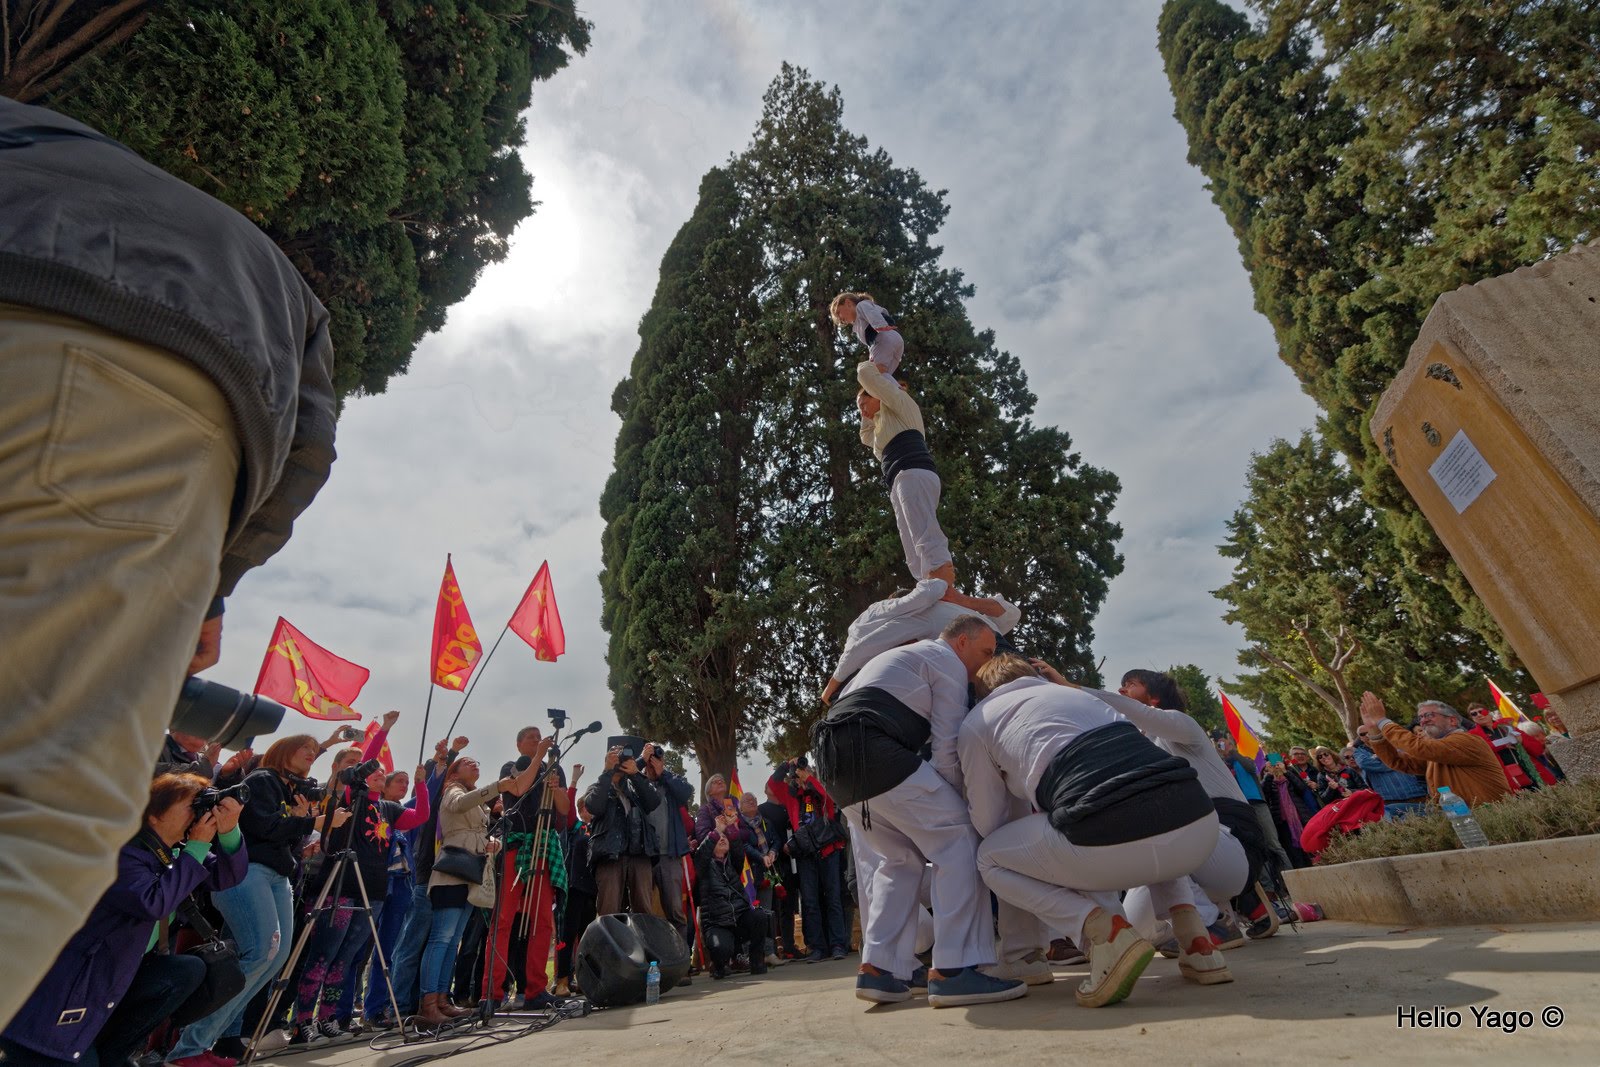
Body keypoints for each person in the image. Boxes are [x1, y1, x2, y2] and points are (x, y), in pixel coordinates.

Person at [0, 97, 337, 1028]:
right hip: (198, 402)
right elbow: (309, 447)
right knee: (41, 818)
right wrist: (210, 585)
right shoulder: (269, 267)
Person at [959, 655, 1229, 1008]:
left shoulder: (977, 721)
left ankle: (1104, 934)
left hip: (1108, 842)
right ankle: (1197, 942)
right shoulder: (1084, 698)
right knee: (1149, 800)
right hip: (1198, 824)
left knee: (990, 857)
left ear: (982, 690)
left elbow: (988, 818)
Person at [812, 615, 1025, 1008]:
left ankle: (879, 969)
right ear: (961, 641)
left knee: (900, 859)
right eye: (985, 652)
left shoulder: (905, 657)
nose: (987, 663)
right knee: (959, 840)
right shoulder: (944, 660)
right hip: (871, 748)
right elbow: (947, 749)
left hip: (835, 762)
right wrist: (967, 806)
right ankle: (955, 971)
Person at [2, 775, 247, 1067]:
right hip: (66, 993)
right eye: (192, 805)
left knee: (187, 970)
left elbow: (227, 876)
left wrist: (229, 829)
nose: (199, 813)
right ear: (154, 814)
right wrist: (195, 848)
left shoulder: (173, 853)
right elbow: (153, 903)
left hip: (113, 978)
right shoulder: (124, 853)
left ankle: (112, 1053)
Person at [166, 736, 341, 1066]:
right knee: (260, 953)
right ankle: (188, 1048)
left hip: (278, 875)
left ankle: (205, 1043)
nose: (312, 753)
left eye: (315, 750)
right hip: (249, 871)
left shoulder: (294, 791)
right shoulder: (262, 778)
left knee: (274, 960)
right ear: (283, 752)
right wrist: (314, 822)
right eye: (306, 747)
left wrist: (304, 822)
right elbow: (262, 825)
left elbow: (287, 837)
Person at [288, 755, 429, 1044]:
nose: (378, 773)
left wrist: (421, 784)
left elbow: (421, 816)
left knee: (346, 957)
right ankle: (302, 1021)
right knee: (322, 955)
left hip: (374, 891)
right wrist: (384, 733)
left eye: (382, 771)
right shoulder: (353, 799)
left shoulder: (388, 808)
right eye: (374, 771)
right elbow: (358, 770)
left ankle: (327, 1018)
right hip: (341, 886)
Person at [417, 757, 536, 1027]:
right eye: (468, 763)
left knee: (453, 939)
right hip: (451, 875)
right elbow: (458, 806)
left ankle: (443, 1000)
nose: (476, 765)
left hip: (470, 873)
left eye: (477, 763)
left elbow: (474, 832)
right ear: (455, 772)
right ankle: (428, 1004)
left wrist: (491, 842)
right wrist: (497, 787)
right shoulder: (452, 790)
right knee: (442, 938)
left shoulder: (477, 802)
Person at [820, 577, 1021, 706]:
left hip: (984, 667)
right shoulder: (965, 614)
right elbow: (1012, 614)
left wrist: (832, 688)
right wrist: (962, 600)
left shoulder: (919, 613)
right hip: (1013, 659)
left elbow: (867, 645)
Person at [481, 728, 566, 1012]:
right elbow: (519, 788)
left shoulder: (554, 769)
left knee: (542, 921)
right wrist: (538, 755)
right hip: (517, 846)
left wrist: (557, 788)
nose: (536, 739)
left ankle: (535, 990)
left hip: (543, 846)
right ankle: (490, 992)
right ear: (518, 743)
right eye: (530, 736)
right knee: (503, 919)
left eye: (538, 736)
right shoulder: (511, 766)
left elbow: (564, 811)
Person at [384, 737, 468, 1023]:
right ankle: (397, 1007)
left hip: (446, 881)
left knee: (441, 942)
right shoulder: (432, 801)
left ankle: (434, 1001)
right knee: (411, 944)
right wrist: (446, 756)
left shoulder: (453, 804)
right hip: (424, 880)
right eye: (448, 776)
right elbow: (431, 785)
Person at [856, 362, 955, 585]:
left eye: (864, 403)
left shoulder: (900, 403)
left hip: (913, 471)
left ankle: (944, 583)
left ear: (877, 394)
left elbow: (864, 373)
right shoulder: (880, 429)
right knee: (911, 545)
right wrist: (866, 410)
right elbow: (865, 435)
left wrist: (879, 368)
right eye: (858, 408)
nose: (862, 410)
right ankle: (928, 585)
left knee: (924, 532)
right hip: (899, 480)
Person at [1359, 694, 1511, 807]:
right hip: (1464, 822)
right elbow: (1398, 762)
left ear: (1452, 720)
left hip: (1492, 817)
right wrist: (1374, 731)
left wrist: (1382, 721)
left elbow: (1419, 748)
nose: (1423, 721)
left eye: (1429, 715)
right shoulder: (1437, 752)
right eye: (1420, 718)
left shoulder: (1468, 741)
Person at [767, 758, 848, 963]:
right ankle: (817, 947)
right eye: (798, 775)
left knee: (833, 899)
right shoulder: (792, 796)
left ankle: (838, 944)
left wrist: (808, 776)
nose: (800, 778)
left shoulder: (821, 790)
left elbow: (824, 795)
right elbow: (773, 783)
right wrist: (786, 765)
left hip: (829, 850)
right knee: (810, 902)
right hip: (805, 855)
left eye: (803, 774)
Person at [360, 770, 419, 1028]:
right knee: (359, 950)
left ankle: (377, 1007)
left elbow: (425, 807)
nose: (404, 786)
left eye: (407, 783)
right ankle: (341, 1011)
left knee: (388, 951)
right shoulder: (374, 810)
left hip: (401, 883)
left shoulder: (403, 815)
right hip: (375, 883)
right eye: (399, 781)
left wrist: (428, 778)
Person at [583, 747, 662, 916]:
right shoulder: (598, 786)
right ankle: (608, 942)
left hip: (640, 852)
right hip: (609, 854)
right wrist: (606, 772)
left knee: (644, 909)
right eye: (615, 754)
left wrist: (635, 774)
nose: (620, 758)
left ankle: (643, 942)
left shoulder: (635, 787)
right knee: (608, 909)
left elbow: (653, 801)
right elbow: (593, 806)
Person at [1213, 733, 1295, 878]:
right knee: (1256, 848)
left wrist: (1232, 753)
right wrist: (1221, 756)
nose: (1224, 746)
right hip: (1241, 810)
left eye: (1225, 743)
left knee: (1273, 844)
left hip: (1258, 804)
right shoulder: (1222, 766)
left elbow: (1251, 768)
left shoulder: (1243, 759)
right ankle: (1271, 888)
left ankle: (1292, 880)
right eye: (1220, 745)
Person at [640, 744, 696, 957]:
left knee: (675, 910)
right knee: (643, 911)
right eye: (649, 759)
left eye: (656, 758)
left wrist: (663, 772)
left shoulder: (671, 785)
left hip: (670, 855)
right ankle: (648, 962)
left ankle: (680, 961)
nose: (653, 763)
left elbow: (686, 792)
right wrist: (640, 763)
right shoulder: (638, 783)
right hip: (644, 856)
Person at [693, 832, 770, 980]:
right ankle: (719, 966)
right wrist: (715, 832)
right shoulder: (703, 866)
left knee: (759, 916)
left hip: (739, 918)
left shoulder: (734, 863)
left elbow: (738, 849)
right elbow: (702, 853)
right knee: (720, 948)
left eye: (724, 837)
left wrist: (730, 828)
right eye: (718, 838)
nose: (722, 839)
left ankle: (756, 962)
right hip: (717, 923)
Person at [553, 793, 595, 999]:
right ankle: (562, 979)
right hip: (574, 886)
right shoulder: (575, 828)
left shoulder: (601, 826)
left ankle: (583, 977)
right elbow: (566, 812)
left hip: (593, 889)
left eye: (590, 807)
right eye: (583, 808)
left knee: (587, 936)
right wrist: (574, 783)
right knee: (567, 935)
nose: (586, 811)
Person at [759, 781, 801, 959]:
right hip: (771, 864)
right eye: (768, 784)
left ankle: (789, 946)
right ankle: (772, 949)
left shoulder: (787, 807)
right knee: (772, 907)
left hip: (790, 861)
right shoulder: (761, 810)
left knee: (789, 905)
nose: (773, 786)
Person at [1352, 725, 1429, 820]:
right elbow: (1366, 764)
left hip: (1416, 794)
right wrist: (1395, 762)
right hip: (1390, 800)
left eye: (1369, 731)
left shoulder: (1394, 743)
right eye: (1363, 734)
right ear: (1360, 738)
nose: (1367, 735)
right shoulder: (1359, 752)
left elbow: (1407, 757)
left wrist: (1380, 758)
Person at [1466, 704, 1542, 791]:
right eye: (1474, 714)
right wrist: (1505, 743)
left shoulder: (1507, 726)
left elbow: (1537, 749)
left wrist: (1521, 740)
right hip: (1506, 777)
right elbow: (1482, 750)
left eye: (1481, 711)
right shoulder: (1472, 735)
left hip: (1529, 769)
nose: (1479, 715)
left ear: (1489, 713)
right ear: (1472, 718)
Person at [829, 291, 903, 377]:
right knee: (883, 376)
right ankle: (897, 389)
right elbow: (871, 344)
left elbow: (872, 314)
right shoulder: (859, 327)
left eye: (838, 312)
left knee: (874, 374)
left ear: (848, 303)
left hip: (884, 338)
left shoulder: (861, 306)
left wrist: (881, 326)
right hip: (895, 341)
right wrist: (872, 357)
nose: (840, 319)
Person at [1261, 759, 1319, 867]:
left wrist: (1286, 772)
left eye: (1277, 766)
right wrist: (1268, 774)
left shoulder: (1289, 777)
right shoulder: (1269, 781)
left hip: (1300, 817)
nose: (1275, 768)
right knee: (1294, 853)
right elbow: (1264, 793)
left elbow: (1301, 788)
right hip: (1283, 823)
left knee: (1310, 848)